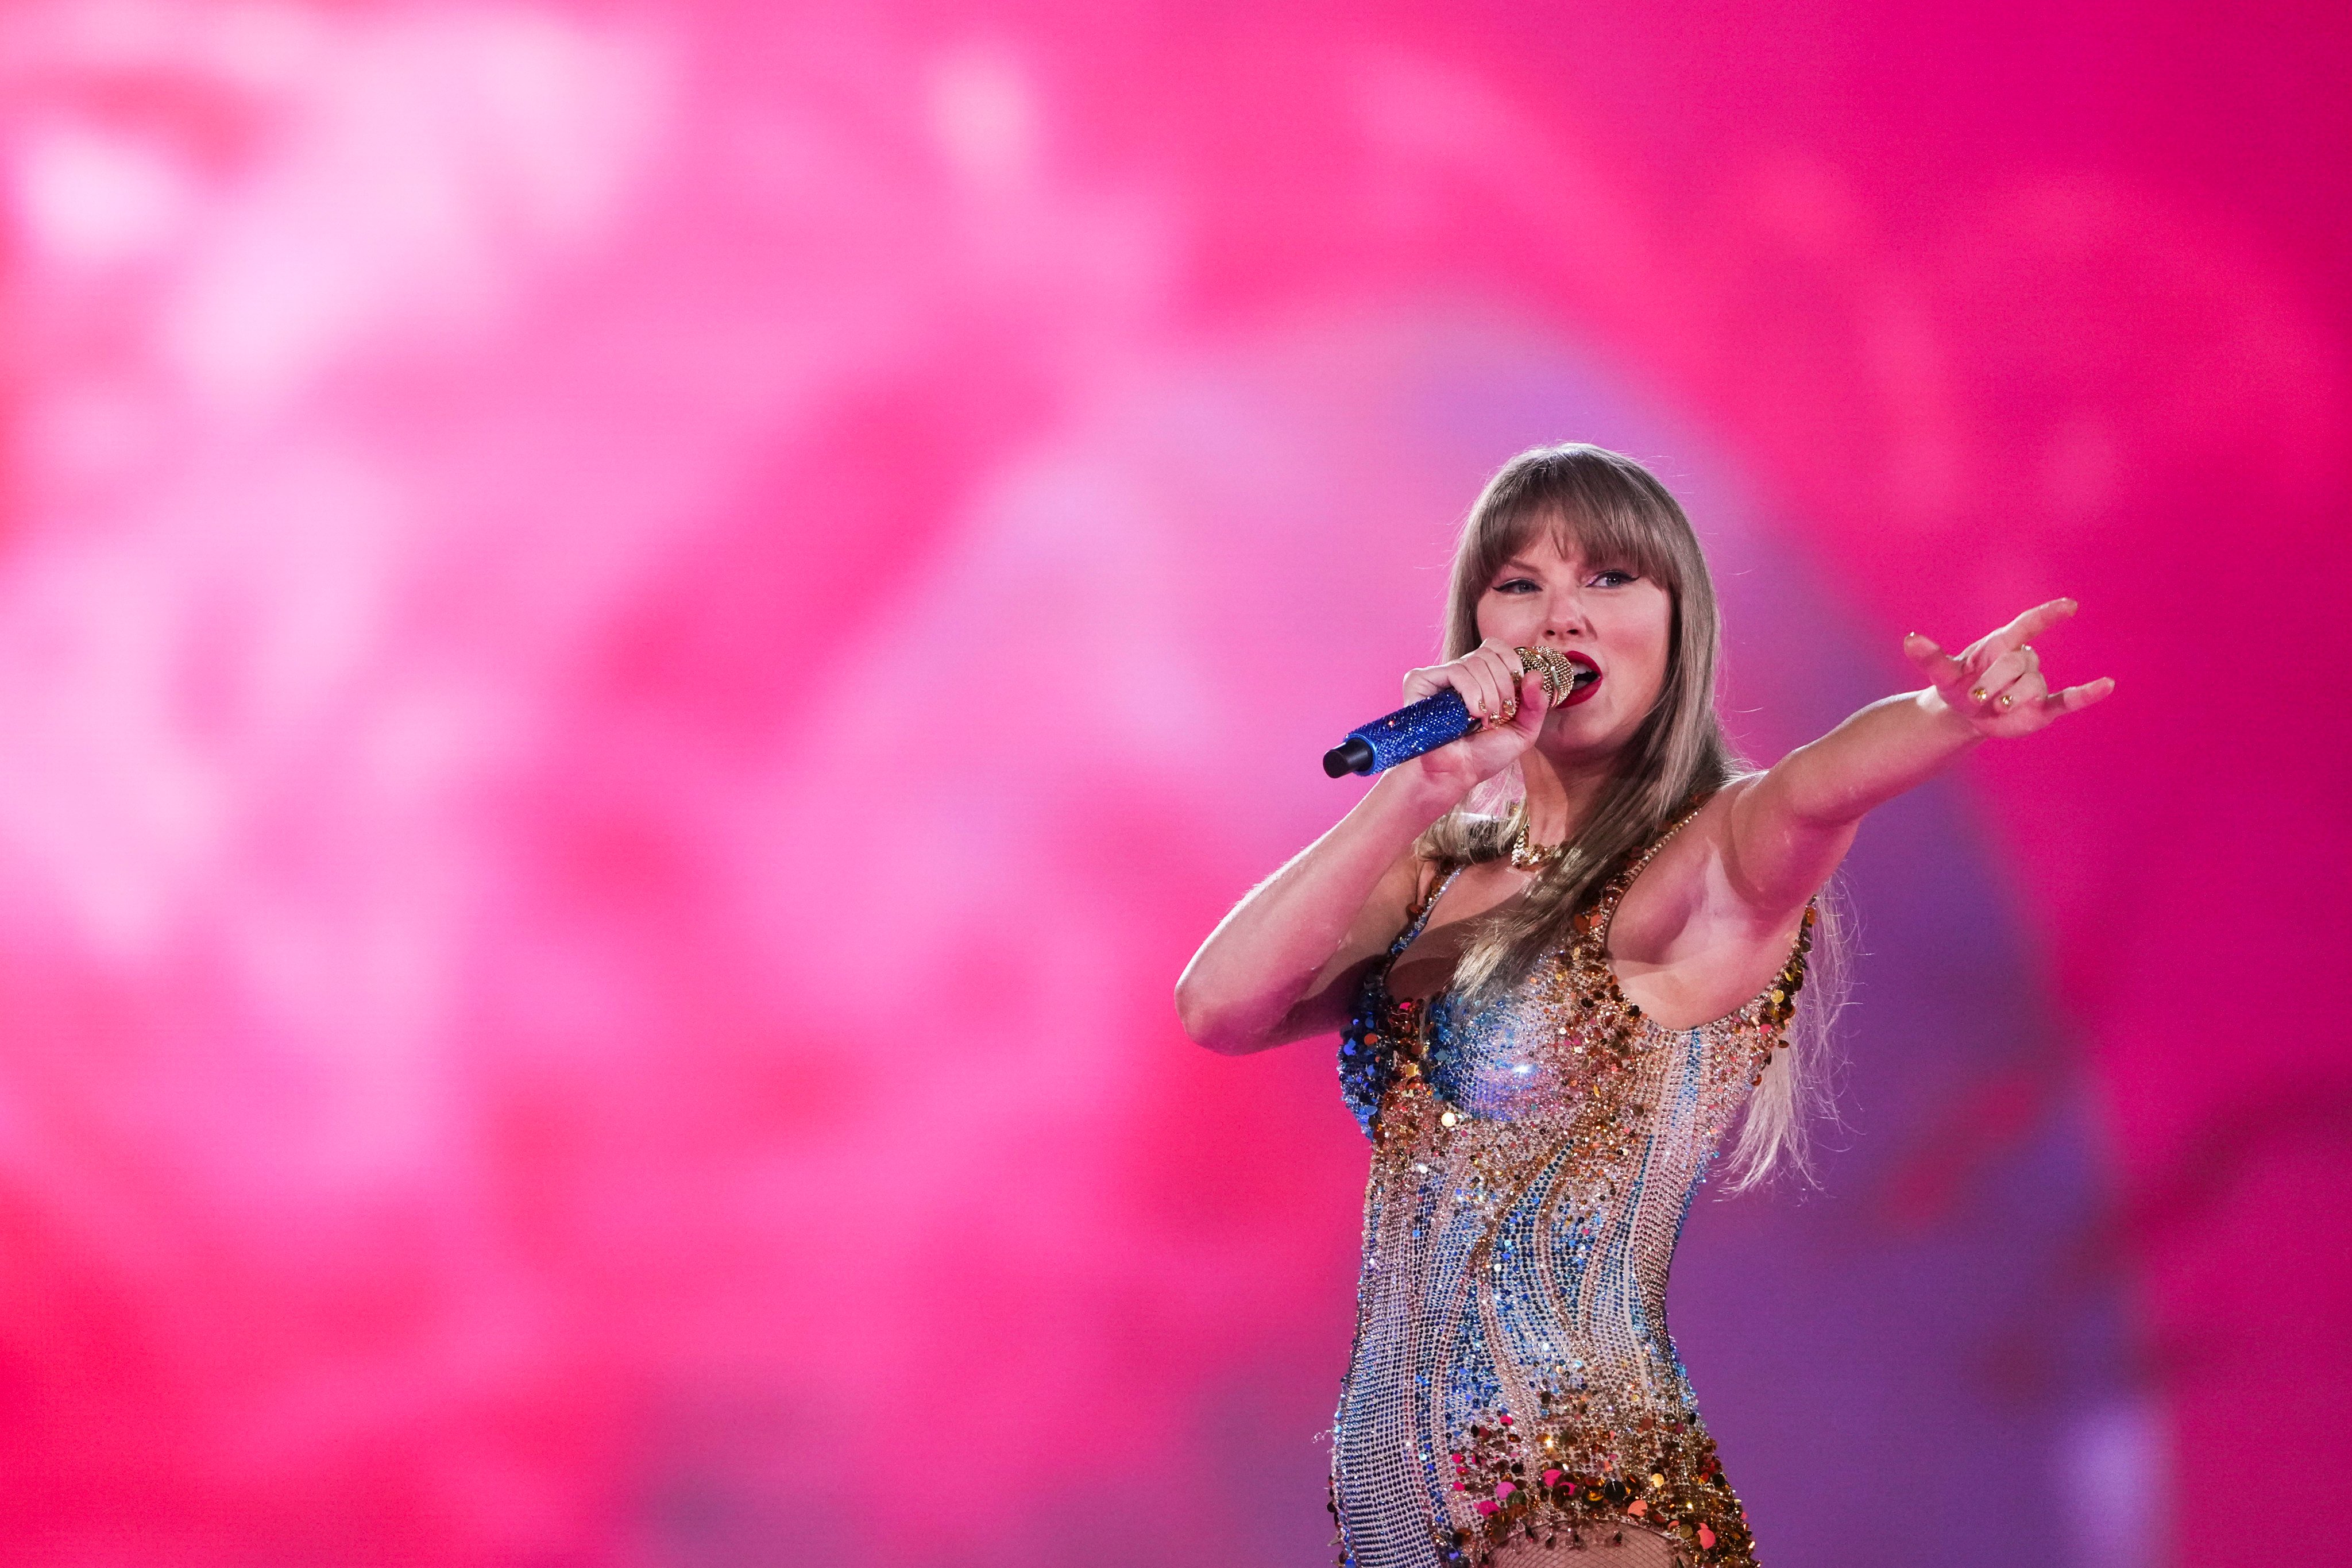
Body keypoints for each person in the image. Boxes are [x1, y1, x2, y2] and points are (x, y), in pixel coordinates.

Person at [1173, 445, 2112, 1568]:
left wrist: (1939, 714)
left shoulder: (1703, 859)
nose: (1560, 612)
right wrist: (1412, 792)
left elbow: (1814, 791)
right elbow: (1218, 1006)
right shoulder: (1430, 871)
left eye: (1610, 578)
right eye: (1520, 582)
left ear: (1679, 623)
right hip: (1394, 1522)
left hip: (1581, 1504)